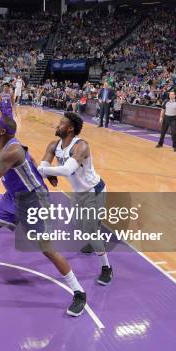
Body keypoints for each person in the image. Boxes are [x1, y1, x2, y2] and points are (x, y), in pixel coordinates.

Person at [0, 116, 87, 317]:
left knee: (47, 249)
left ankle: (79, 292)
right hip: (12, 197)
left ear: (2, 132)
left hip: (34, 199)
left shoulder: (14, 150)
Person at [38, 112, 112, 286]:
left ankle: (107, 268)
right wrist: (46, 172)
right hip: (78, 192)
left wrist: (45, 172)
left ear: (70, 128)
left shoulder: (81, 146)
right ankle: (95, 232)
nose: (57, 125)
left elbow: (66, 170)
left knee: (90, 231)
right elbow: (44, 166)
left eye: (61, 123)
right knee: (79, 226)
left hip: (94, 190)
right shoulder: (53, 145)